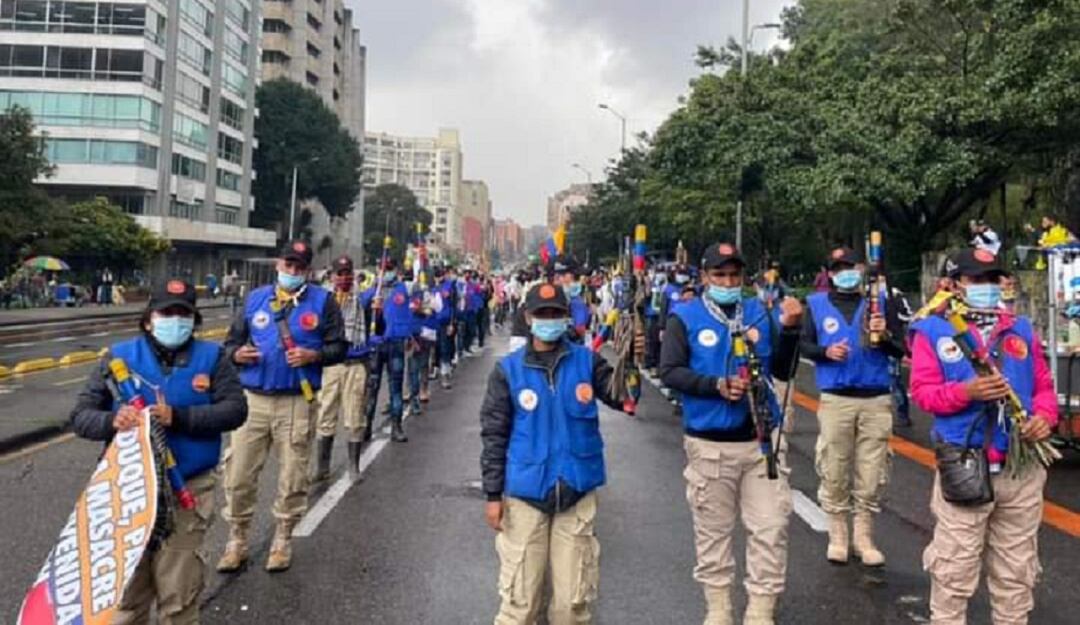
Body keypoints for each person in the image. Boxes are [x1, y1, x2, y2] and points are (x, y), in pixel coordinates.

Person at [71, 279, 247, 623]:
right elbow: (80, 416)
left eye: (183, 314)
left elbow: (235, 411)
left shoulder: (213, 358)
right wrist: (112, 421)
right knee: (125, 599)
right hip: (128, 491)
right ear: (150, 318)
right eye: (167, 312)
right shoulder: (119, 357)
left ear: (193, 321)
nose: (175, 320)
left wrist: (179, 417)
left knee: (179, 598)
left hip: (188, 489)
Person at [910, 248, 1057, 625]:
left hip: (1020, 467)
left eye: (994, 279)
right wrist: (966, 393)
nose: (989, 287)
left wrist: (1044, 417)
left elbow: (1042, 386)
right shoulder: (934, 329)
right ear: (955, 284)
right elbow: (924, 393)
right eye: (977, 280)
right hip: (966, 466)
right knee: (954, 572)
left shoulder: (1019, 328)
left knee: (1016, 574)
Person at [660, 242, 802, 625]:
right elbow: (670, 371)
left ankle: (760, 611)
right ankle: (719, 609)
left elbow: (784, 371)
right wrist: (714, 385)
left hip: (761, 442)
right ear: (705, 277)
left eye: (734, 275)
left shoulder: (760, 312)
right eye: (719, 275)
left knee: (770, 528)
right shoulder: (684, 317)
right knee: (714, 533)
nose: (727, 281)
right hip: (710, 445)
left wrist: (790, 330)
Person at [480, 282, 627, 625]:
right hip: (525, 496)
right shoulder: (508, 371)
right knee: (520, 604)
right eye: (542, 314)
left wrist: (629, 361)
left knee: (572, 607)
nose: (549, 320)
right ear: (528, 318)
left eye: (556, 314)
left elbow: (623, 397)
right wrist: (492, 494)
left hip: (576, 493)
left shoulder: (588, 362)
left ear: (566, 318)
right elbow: (494, 435)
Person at [218, 240, 346, 573]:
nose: (292, 272)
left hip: (295, 401)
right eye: (288, 265)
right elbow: (231, 342)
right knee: (238, 474)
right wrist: (236, 354)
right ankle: (237, 539)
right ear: (278, 265)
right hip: (253, 400)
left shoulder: (324, 302)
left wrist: (314, 355)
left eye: (299, 267)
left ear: (308, 270)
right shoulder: (255, 299)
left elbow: (339, 347)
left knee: (292, 477)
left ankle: (283, 539)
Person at [801, 246, 906, 567]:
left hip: (875, 397)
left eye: (851, 266)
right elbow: (802, 342)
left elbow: (899, 349)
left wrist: (883, 334)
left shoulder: (879, 304)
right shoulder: (815, 305)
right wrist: (824, 352)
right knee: (835, 466)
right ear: (830, 274)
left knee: (871, 471)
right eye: (839, 268)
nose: (846, 272)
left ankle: (864, 536)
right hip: (836, 398)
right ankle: (839, 534)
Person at [314, 255, 370, 482]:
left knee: (355, 416)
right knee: (325, 414)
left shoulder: (364, 298)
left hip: (355, 364)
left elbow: (379, 324)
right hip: (331, 366)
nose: (345, 278)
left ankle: (353, 467)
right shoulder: (323, 300)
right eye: (340, 273)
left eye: (348, 273)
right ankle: (322, 468)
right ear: (332, 275)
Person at [363, 257, 411, 443]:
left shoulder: (402, 289)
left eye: (389, 268)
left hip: (395, 343)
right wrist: (371, 301)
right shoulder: (370, 290)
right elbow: (359, 305)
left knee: (396, 387)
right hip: (375, 344)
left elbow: (407, 313)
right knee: (371, 387)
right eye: (383, 268)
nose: (386, 272)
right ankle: (366, 425)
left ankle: (396, 426)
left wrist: (409, 337)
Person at [554, 256, 590, 344]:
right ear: (558, 277)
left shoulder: (575, 299)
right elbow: (580, 329)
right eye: (575, 277)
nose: (578, 282)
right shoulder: (574, 301)